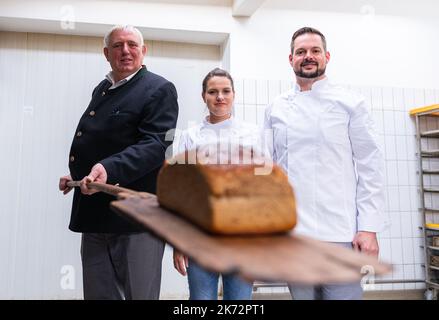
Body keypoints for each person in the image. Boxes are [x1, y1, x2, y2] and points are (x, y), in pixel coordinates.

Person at [264, 27, 386, 300]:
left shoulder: (351, 103)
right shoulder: (276, 108)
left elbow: (370, 166)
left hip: (340, 232)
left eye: (315, 51)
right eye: (301, 52)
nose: (308, 56)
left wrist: (368, 227)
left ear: (327, 56)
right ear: (291, 58)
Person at [58, 25, 179, 300]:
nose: (125, 51)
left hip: (136, 218)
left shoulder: (159, 89)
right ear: (106, 53)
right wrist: (77, 175)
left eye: (132, 45)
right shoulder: (102, 89)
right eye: (118, 45)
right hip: (95, 215)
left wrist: (106, 169)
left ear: (143, 51)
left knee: (140, 294)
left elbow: (155, 145)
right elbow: (103, 141)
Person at [172, 67, 259, 300]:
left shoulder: (252, 134)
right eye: (213, 92)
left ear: (233, 95)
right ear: (204, 96)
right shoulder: (189, 136)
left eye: (225, 91)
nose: (220, 97)